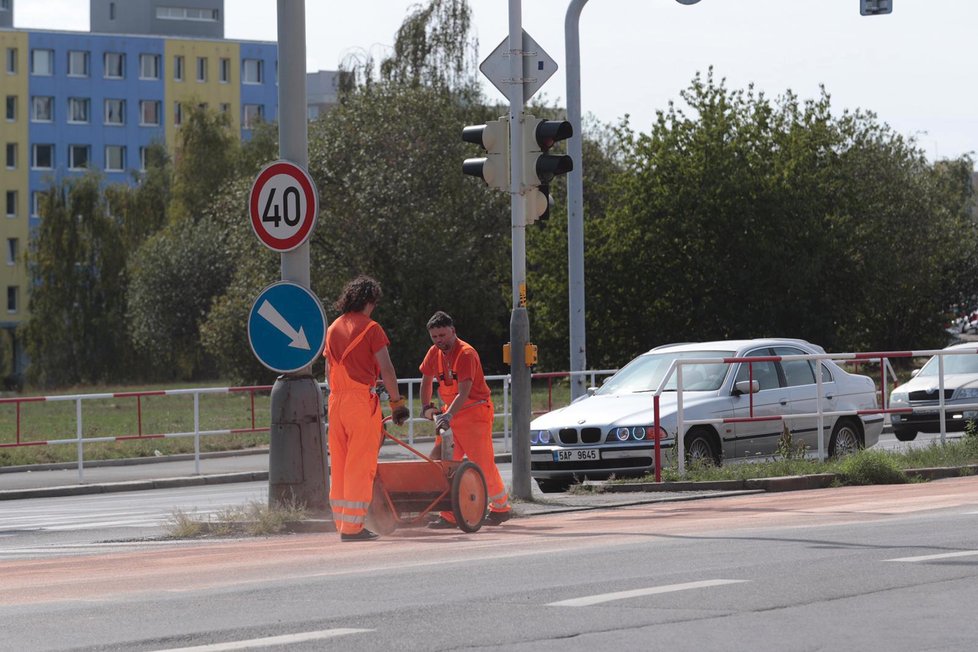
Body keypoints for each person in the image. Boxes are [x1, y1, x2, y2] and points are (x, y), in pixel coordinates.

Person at [323, 276, 409, 542]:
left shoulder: (333, 328)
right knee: (360, 465)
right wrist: (396, 403)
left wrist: (340, 395)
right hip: (361, 402)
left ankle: (343, 522)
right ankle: (353, 528)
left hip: (336, 402)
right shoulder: (372, 328)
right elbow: (387, 368)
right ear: (370, 301)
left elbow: (328, 372)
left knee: (339, 464)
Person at [419, 311, 512, 528]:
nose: (439, 340)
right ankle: (449, 515)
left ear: (453, 331)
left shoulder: (466, 353)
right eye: (434, 337)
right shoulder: (434, 353)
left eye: (442, 335)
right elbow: (426, 381)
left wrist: (447, 415)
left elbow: (464, 391)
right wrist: (426, 407)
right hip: (449, 415)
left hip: (473, 413)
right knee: (446, 466)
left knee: (483, 463)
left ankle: (500, 508)